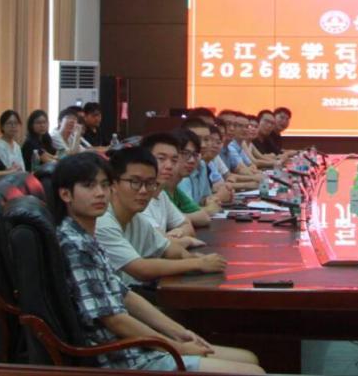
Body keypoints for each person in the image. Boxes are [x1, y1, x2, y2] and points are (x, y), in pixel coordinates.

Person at [52, 152, 263, 374]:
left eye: (104, 185)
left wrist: (180, 332)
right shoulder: (74, 244)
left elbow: (125, 295)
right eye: (89, 186)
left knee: (250, 358)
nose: (100, 193)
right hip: (118, 358)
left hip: (136, 348)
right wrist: (176, 347)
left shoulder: (86, 236)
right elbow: (114, 319)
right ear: (65, 194)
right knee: (253, 372)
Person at [94, 146, 226, 287]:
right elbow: (141, 269)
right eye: (135, 182)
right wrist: (197, 264)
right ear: (113, 184)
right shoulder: (102, 222)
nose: (144, 190)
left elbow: (168, 249)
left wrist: (192, 257)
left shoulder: (136, 219)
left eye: (150, 183)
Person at [138, 133, 200, 246]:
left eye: (174, 160)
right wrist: (187, 241)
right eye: (161, 159)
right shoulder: (138, 196)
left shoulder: (161, 195)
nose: (169, 166)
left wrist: (179, 232)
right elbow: (157, 243)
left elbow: (188, 226)